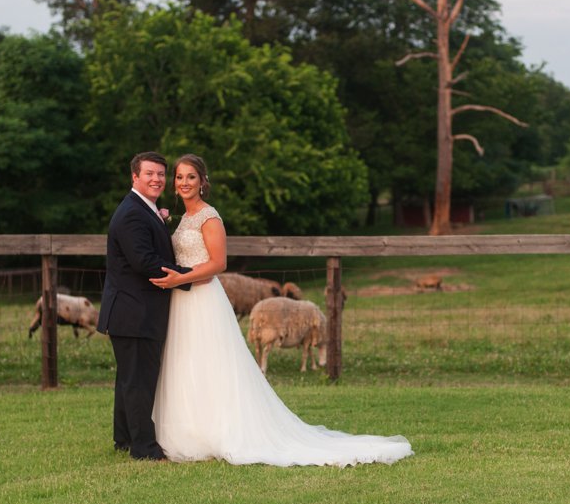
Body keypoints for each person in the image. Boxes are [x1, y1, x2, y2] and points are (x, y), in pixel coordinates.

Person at [148, 154, 413, 466]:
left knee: (213, 362)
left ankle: (220, 430)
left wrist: (183, 277)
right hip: (181, 299)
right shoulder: (181, 220)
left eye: (190, 177)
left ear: (203, 181)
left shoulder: (209, 217)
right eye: (179, 177)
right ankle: (187, 430)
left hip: (203, 297)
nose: (184, 183)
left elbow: (219, 263)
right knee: (185, 360)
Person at [98, 152, 190, 461]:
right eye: (150, 173)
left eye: (161, 174)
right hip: (133, 311)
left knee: (129, 378)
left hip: (132, 310)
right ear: (134, 176)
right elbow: (143, 262)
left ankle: (124, 439)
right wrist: (187, 276)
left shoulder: (144, 209)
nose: (157, 179)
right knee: (139, 381)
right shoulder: (132, 214)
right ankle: (144, 448)